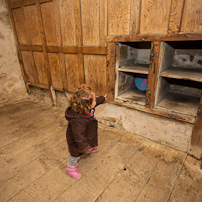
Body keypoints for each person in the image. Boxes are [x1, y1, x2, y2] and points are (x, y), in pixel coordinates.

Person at [65, 84, 107, 179]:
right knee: (75, 154)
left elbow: (95, 101)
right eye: (94, 100)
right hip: (77, 141)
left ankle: (91, 146)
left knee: (90, 137)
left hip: (87, 130)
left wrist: (102, 98)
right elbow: (79, 137)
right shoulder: (77, 121)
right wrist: (84, 148)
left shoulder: (85, 106)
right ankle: (70, 169)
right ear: (87, 106)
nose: (96, 101)